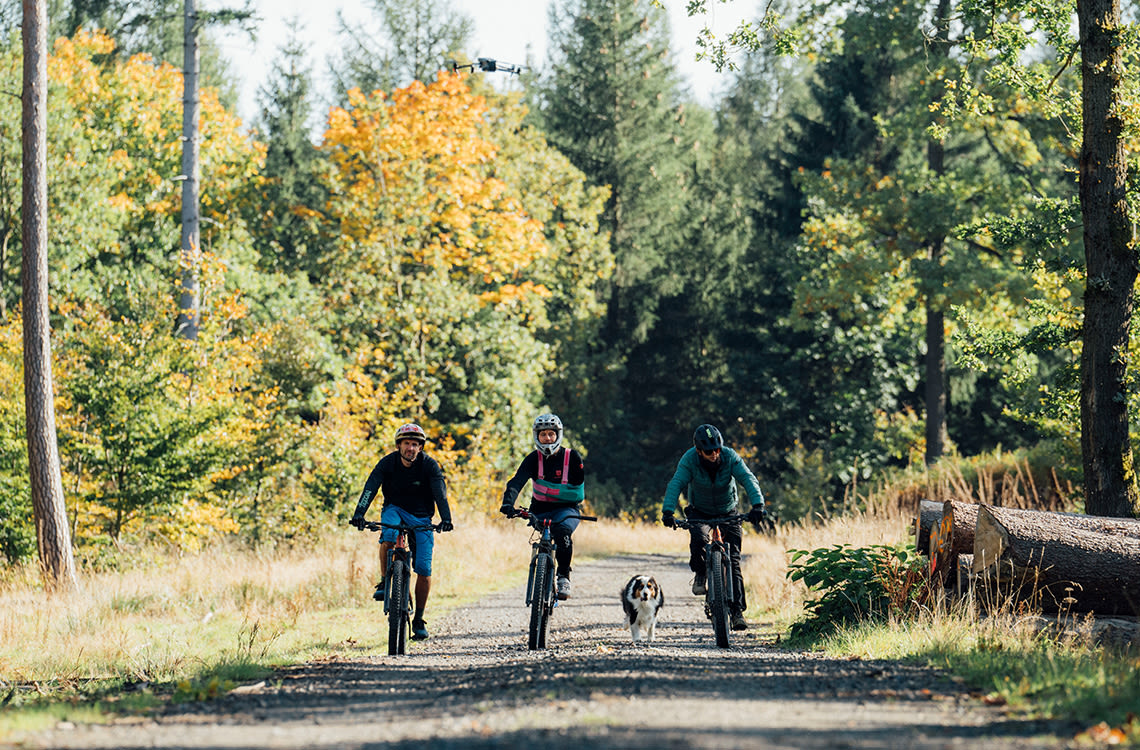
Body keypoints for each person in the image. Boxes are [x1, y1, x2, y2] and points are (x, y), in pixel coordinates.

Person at [350, 422, 454, 641]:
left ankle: (419, 619)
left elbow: (440, 493)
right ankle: (384, 581)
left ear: (421, 447)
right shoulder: (387, 463)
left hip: (422, 517)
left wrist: (446, 519)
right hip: (394, 509)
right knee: (387, 534)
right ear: (399, 445)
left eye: (415, 444)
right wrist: (359, 513)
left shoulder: (429, 466)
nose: (411, 448)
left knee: (424, 569)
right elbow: (371, 487)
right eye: (407, 443)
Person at [660, 423, 768, 631]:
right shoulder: (689, 459)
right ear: (699, 451)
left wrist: (758, 505)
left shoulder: (730, 457)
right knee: (699, 538)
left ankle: (737, 612)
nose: (714, 454)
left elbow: (747, 478)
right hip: (699, 511)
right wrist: (667, 512)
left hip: (728, 510)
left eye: (717, 449)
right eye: (709, 451)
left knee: (734, 560)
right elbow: (676, 483)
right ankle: (701, 572)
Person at [499, 413, 586, 600]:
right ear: (536, 436)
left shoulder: (572, 458)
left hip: (568, 509)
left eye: (551, 434)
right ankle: (541, 573)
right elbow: (516, 482)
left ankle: (563, 576)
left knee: (562, 532)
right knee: (545, 533)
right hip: (539, 510)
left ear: (558, 435)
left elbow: (577, 490)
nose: (547, 438)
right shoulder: (532, 459)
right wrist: (508, 503)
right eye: (543, 434)